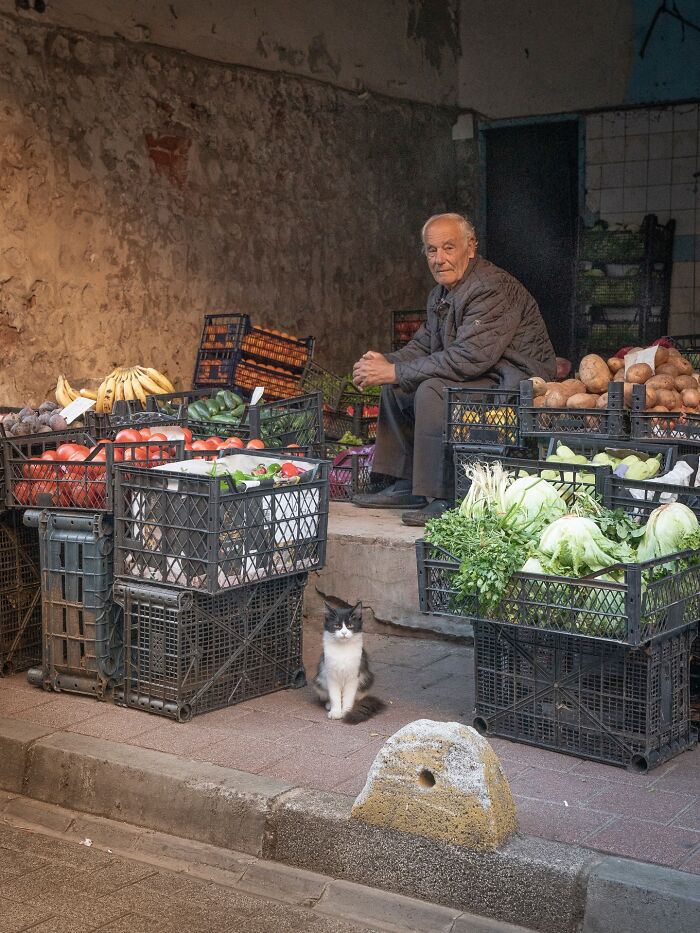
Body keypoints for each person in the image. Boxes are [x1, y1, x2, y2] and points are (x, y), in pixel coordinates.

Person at [351, 212, 556, 525]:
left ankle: (444, 494)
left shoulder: (491, 287)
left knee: (433, 390)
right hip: (480, 374)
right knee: (396, 388)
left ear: (470, 248)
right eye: (432, 250)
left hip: (511, 382)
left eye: (449, 248)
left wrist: (395, 371)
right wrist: (383, 364)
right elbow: (423, 346)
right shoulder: (441, 293)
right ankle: (407, 484)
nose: (439, 259)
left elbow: (469, 357)